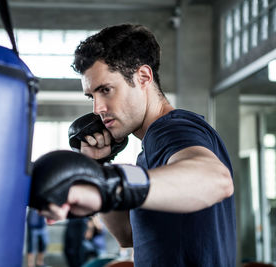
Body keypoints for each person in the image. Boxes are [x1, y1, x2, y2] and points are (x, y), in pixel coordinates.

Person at [32, 24, 236, 266]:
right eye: (92, 96)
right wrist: (97, 169)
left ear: (143, 77)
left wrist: (107, 184)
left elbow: (216, 179)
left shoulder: (171, 129)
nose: (97, 108)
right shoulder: (150, 150)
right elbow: (127, 234)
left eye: (106, 90)